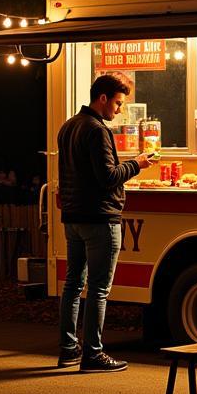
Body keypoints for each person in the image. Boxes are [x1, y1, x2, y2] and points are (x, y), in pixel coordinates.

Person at [57, 73, 153, 372]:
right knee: (98, 289)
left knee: (73, 285)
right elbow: (108, 177)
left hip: (73, 217)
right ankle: (93, 354)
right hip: (100, 217)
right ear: (103, 98)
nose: (119, 109)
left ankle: (68, 349)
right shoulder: (97, 130)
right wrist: (137, 164)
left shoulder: (68, 126)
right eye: (118, 102)